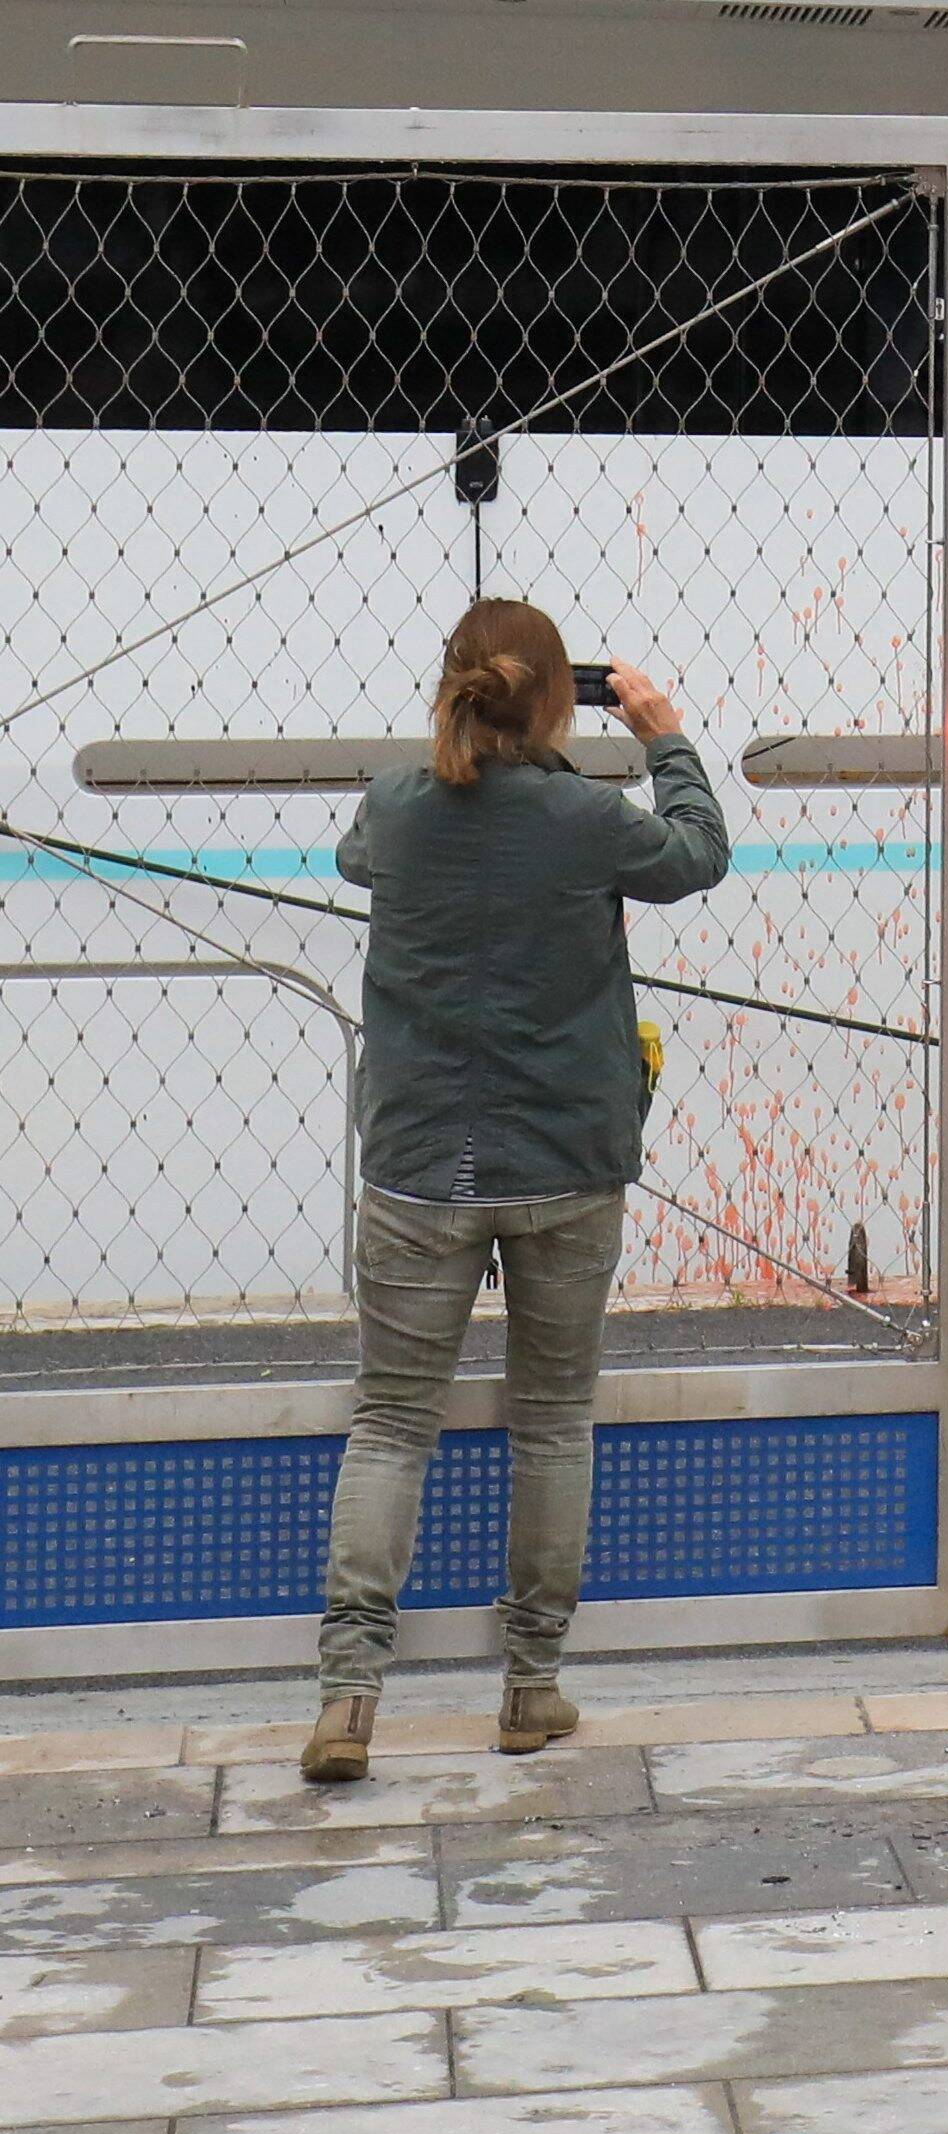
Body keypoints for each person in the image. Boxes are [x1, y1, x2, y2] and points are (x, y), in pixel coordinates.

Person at [298, 601, 729, 1785]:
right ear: (556, 702)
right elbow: (698, 856)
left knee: (391, 1425)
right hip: (567, 1169)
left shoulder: (395, 806)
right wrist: (664, 737)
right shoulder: (591, 819)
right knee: (552, 1421)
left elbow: (358, 856)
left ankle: (349, 1700)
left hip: (419, 1165)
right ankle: (530, 1687)